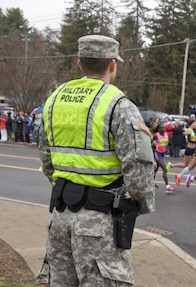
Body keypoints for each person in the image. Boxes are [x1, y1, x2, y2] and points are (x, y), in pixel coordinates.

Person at [36, 35, 155, 286]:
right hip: (100, 222)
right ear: (113, 64)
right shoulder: (118, 104)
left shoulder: (54, 100)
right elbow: (139, 166)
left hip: (60, 217)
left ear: (80, 63)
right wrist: (139, 205)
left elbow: (47, 161)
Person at [153, 123, 176, 193]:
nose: (164, 129)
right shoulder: (156, 135)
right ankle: (167, 187)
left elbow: (168, 142)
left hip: (162, 154)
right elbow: (150, 142)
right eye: (162, 128)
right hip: (157, 154)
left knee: (155, 169)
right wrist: (153, 146)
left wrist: (172, 146)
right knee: (164, 169)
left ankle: (150, 183)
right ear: (159, 129)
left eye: (164, 127)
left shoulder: (166, 134)